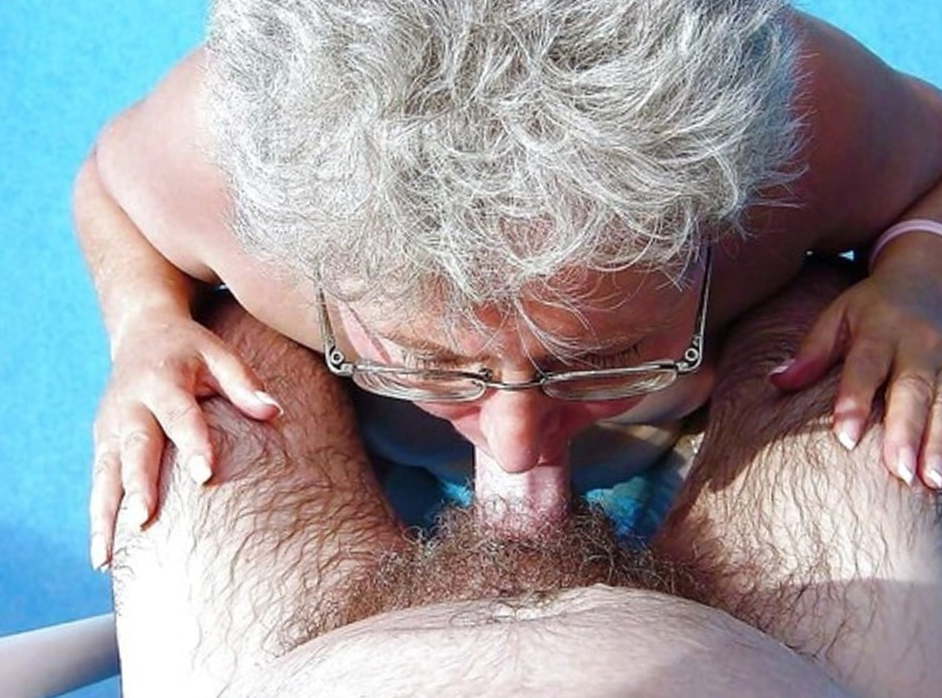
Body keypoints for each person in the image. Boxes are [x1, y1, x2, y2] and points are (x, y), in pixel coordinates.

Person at [70, 0, 942, 693]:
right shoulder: (212, 157)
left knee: (850, 332)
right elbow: (110, 188)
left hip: (697, 414)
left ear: (722, 221)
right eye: (433, 362)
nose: (515, 448)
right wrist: (147, 324)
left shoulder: (808, 127)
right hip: (382, 436)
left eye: (601, 356)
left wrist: (912, 282)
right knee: (220, 356)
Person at [108, 269, 937, 697]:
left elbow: (126, 181)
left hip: (259, 673)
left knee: (228, 351)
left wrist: (146, 323)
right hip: (829, 673)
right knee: (832, 324)